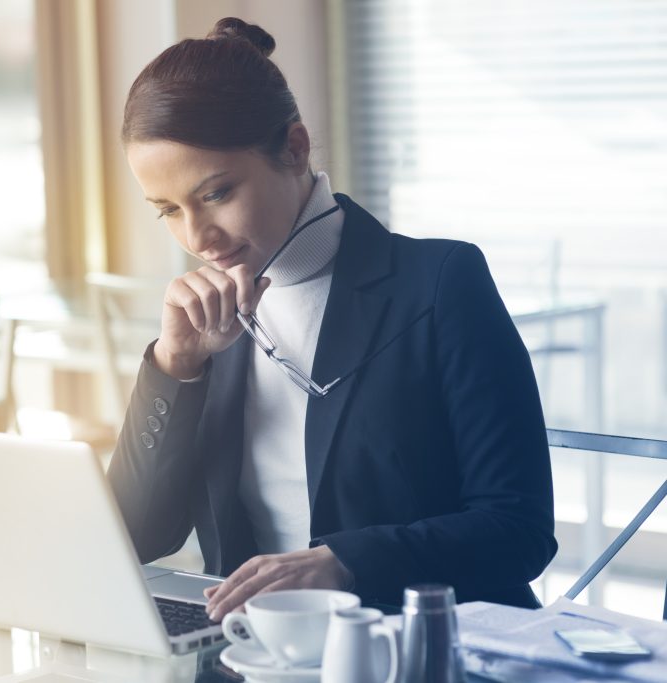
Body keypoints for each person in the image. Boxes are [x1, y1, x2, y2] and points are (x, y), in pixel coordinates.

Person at [107, 17, 557, 621]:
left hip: (416, 645)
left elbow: (519, 528)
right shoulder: (206, 319)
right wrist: (175, 366)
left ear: (295, 148)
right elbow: (135, 537)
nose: (197, 236)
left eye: (215, 194)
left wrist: (344, 562)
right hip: (259, 653)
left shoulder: (442, 281)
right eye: (168, 209)